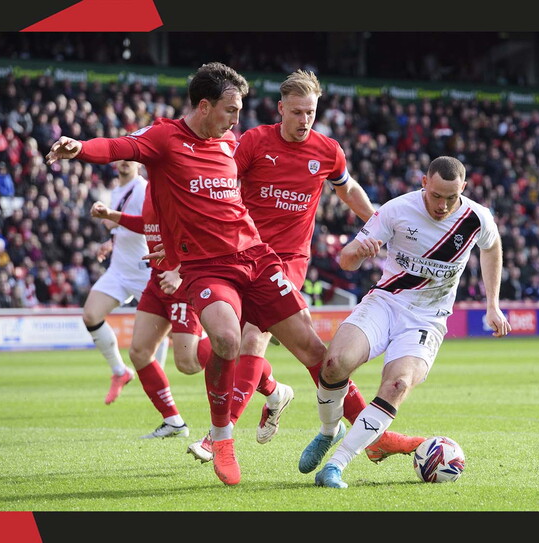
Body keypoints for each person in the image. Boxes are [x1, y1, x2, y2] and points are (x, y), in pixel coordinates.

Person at [45, 62, 330, 487]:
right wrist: (80, 149)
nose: (238, 120)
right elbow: (120, 146)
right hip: (195, 268)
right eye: (231, 109)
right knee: (214, 342)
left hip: (250, 258)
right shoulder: (164, 139)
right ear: (204, 105)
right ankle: (222, 433)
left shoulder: (229, 143)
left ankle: (362, 431)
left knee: (305, 350)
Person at [186, 69, 424, 469]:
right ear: (281, 109)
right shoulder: (254, 142)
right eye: (296, 112)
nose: (304, 120)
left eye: (310, 113)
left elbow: (346, 187)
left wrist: (377, 224)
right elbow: (220, 182)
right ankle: (283, 396)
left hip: (287, 262)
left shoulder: (327, 150)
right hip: (239, 255)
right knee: (277, 351)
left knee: (251, 340)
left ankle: (218, 436)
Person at [310, 156, 511, 488]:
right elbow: (345, 259)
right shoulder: (396, 210)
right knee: (334, 363)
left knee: (397, 385)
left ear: (464, 188)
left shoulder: (476, 218)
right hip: (385, 303)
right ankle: (329, 431)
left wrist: (493, 304)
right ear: (424, 183)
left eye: (451, 197)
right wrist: (359, 254)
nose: (443, 205)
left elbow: (492, 246)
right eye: (436, 196)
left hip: (427, 319)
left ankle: (336, 465)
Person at [90, 193, 211, 440]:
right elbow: (147, 224)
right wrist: (111, 215)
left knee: (187, 364)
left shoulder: (177, 182)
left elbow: (203, 233)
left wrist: (179, 271)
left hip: (181, 285)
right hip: (156, 283)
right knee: (139, 352)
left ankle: (238, 336)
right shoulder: (150, 189)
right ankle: (173, 421)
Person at [81, 159, 169, 405]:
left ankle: (158, 380)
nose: (123, 162)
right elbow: (121, 228)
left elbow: (150, 225)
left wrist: (112, 219)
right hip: (119, 269)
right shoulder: (115, 190)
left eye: (129, 158)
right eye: (120, 158)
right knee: (90, 315)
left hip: (144, 269)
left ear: (138, 163)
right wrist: (111, 241)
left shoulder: (143, 188)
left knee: (157, 330)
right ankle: (120, 371)